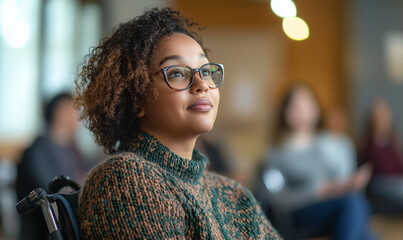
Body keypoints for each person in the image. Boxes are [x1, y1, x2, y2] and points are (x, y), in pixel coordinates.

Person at [75, 8, 280, 239]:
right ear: (136, 98)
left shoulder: (234, 194)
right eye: (176, 73)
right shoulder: (124, 179)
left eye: (205, 70)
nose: (202, 84)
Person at [260, 85, 373, 240]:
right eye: (298, 106)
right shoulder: (275, 155)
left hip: (329, 211)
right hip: (297, 217)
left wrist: (347, 184)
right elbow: (277, 201)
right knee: (353, 205)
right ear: (286, 113)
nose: (305, 110)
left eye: (308, 104)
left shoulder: (326, 146)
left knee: (360, 221)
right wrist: (320, 191)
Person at [16, 92, 89, 240]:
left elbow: (89, 174)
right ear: (59, 112)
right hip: (44, 231)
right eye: (73, 109)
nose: (78, 116)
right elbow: (51, 188)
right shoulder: (38, 149)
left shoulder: (73, 149)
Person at [361, 97, 403, 214]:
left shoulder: (394, 144)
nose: (383, 119)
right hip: (379, 185)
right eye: (379, 115)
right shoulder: (367, 146)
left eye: (385, 115)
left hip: (397, 183)